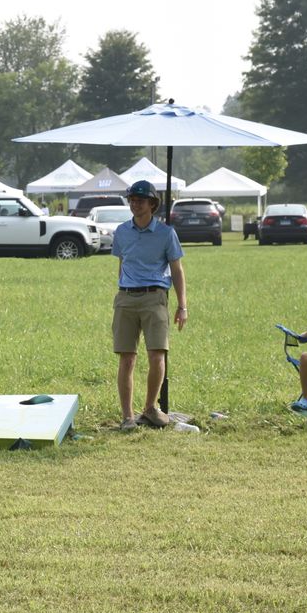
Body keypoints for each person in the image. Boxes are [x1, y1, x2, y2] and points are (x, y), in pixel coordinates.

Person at [111, 180, 187, 431]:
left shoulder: (166, 233)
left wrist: (182, 305)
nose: (135, 204)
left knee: (157, 354)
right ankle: (127, 417)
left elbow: (177, 270)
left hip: (155, 297)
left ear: (152, 205)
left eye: (140, 200)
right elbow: (123, 262)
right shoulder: (122, 232)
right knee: (127, 358)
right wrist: (123, 289)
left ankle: (150, 407)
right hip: (126, 298)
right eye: (132, 200)